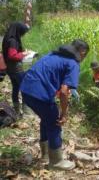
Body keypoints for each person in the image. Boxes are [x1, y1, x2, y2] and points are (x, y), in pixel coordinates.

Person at [20, 39, 89, 170]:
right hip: (38, 93)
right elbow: (64, 91)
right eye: (84, 55)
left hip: (26, 89)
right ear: (82, 52)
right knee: (54, 122)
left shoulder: (53, 55)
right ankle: (56, 162)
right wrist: (64, 114)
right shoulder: (73, 63)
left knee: (46, 118)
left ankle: (45, 155)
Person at [2, 22, 30, 115]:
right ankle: (26, 111)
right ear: (18, 31)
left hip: (9, 69)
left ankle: (16, 110)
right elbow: (12, 56)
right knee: (25, 87)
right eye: (22, 33)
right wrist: (24, 54)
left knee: (16, 87)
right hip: (16, 69)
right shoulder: (13, 41)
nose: (22, 35)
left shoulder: (7, 38)